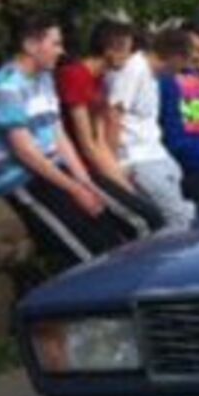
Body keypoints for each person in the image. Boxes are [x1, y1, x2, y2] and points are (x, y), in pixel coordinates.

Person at [0, 18, 135, 265]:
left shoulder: (44, 78)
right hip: (24, 179)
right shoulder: (6, 86)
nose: (61, 51)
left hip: (53, 168)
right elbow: (25, 152)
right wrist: (74, 189)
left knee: (112, 229)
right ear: (31, 45)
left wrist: (83, 180)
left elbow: (59, 135)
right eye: (55, 44)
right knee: (91, 254)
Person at [55, 23, 162, 236]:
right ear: (109, 50)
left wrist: (118, 177)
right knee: (144, 221)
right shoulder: (75, 75)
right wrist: (118, 184)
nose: (129, 57)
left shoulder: (99, 79)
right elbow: (87, 144)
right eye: (126, 51)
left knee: (149, 213)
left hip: (95, 163)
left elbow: (100, 140)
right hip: (77, 168)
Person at [106, 23, 194, 230]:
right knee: (178, 221)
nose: (184, 69)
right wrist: (113, 166)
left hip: (157, 156)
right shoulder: (134, 70)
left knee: (182, 215)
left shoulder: (154, 77)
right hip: (139, 160)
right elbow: (113, 115)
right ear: (175, 56)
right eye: (185, 61)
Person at [154, 28, 199, 202]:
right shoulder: (164, 80)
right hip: (187, 157)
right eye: (194, 50)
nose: (197, 56)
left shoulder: (190, 77)